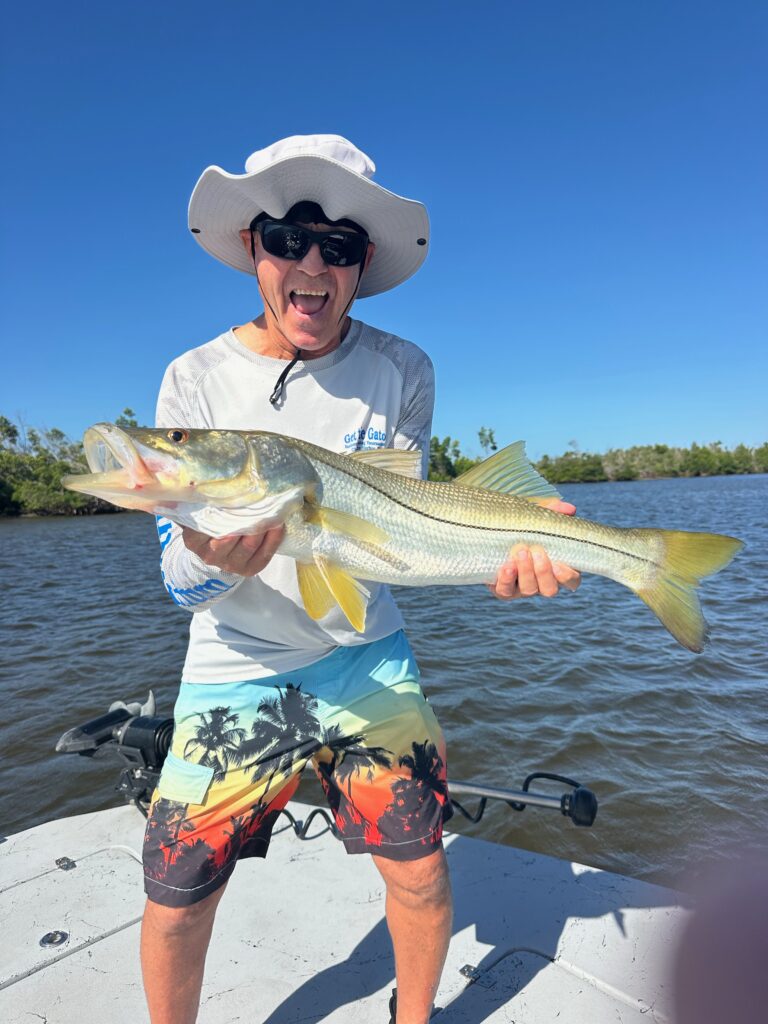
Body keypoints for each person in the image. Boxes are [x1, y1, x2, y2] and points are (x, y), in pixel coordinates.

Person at [140, 134, 581, 1024]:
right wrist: (206, 559)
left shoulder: (404, 370)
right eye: (285, 238)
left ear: (361, 261)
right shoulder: (190, 381)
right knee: (177, 893)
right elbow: (174, 576)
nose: (311, 263)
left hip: (368, 659)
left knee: (421, 869)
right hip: (234, 666)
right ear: (251, 250)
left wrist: (502, 555)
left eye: (336, 246)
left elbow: (402, 533)